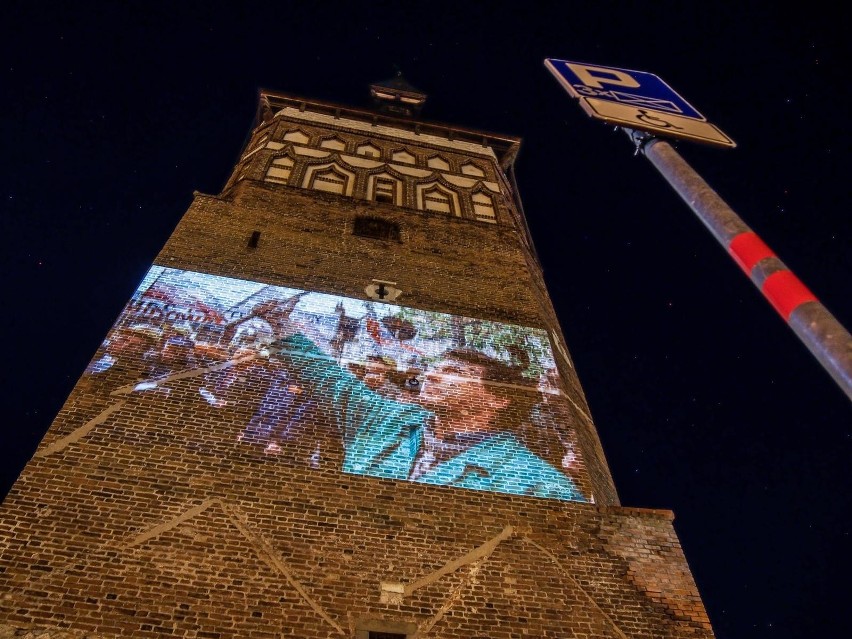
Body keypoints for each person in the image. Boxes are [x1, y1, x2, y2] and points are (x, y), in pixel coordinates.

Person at [252, 297, 585, 502]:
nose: (432, 375)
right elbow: (328, 379)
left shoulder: (539, 484)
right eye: (434, 367)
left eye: (454, 371)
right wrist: (280, 322)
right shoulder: (382, 418)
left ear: (499, 399)